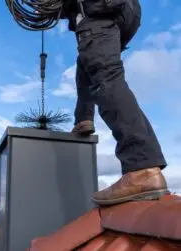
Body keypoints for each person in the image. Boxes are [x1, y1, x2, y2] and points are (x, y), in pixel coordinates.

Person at [61, 0, 169, 205]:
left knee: (106, 77)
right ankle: (83, 118)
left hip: (99, 9)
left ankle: (142, 168)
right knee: (87, 62)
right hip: (124, 10)